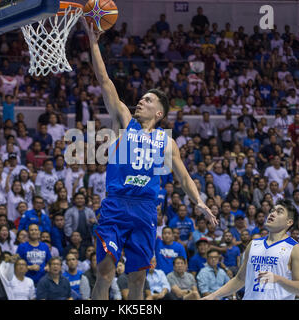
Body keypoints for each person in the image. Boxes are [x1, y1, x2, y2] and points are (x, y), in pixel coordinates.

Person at [82, 17, 216, 300]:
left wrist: (200, 202)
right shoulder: (124, 121)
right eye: (141, 98)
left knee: (138, 278)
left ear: (159, 113)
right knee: (105, 271)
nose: (140, 101)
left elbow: (183, 177)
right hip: (116, 205)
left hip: (145, 209)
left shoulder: (166, 141)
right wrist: (93, 42)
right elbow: (104, 79)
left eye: (147, 100)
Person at [202, 200, 299, 300]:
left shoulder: (295, 248)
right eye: (272, 211)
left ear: (289, 222)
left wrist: (278, 279)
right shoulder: (254, 244)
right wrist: (213, 296)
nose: (272, 214)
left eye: (279, 212)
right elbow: (240, 279)